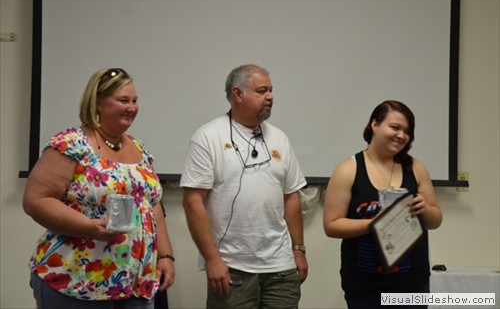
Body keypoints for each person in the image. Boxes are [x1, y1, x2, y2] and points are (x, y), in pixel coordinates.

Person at [23, 68, 175, 309]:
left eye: (135, 101)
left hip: (133, 282)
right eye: (123, 100)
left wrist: (165, 255)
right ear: (98, 103)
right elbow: (36, 201)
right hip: (76, 280)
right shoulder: (71, 143)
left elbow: (153, 205)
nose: (132, 107)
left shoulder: (140, 149)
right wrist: (89, 227)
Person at [180, 64, 308, 309]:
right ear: (238, 94)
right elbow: (192, 201)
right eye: (262, 91)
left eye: (271, 90)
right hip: (232, 267)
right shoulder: (208, 136)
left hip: (280, 268)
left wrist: (298, 249)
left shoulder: (279, 137)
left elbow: (291, 196)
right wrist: (211, 259)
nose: (270, 96)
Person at [323, 100, 443, 308]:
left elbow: (435, 221)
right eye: (395, 127)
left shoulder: (415, 167)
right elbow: (331, 225)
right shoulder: (348, 169)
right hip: (366, 289)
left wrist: (425, 209)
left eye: (407, 131)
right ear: (375, 125)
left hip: (412, 286)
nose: (401, 135)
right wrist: (373, 224)